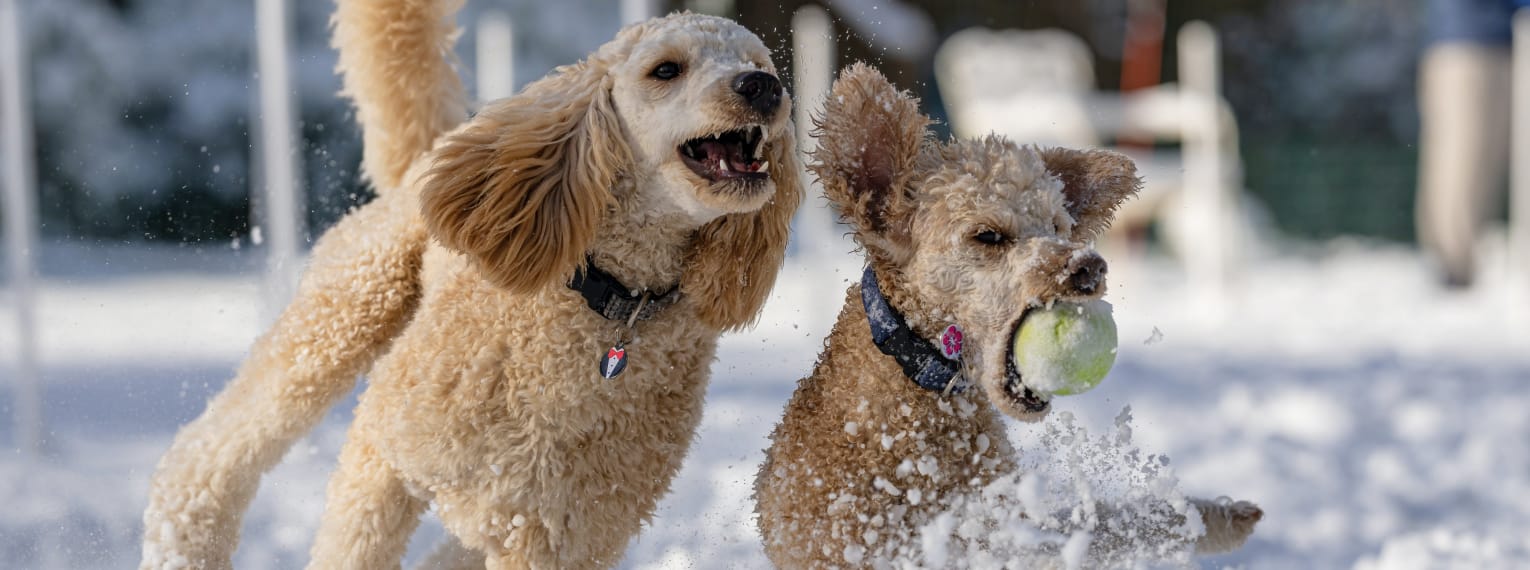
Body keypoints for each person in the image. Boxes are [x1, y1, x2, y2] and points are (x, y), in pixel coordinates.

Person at [1416, 0, 1526, 287]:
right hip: (1469, 47)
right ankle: (1453, 271)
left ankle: (1456, 268)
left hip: (1490, 43)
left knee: (1475, 162)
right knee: (1464, 162)